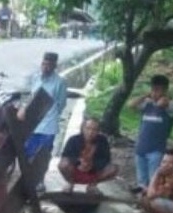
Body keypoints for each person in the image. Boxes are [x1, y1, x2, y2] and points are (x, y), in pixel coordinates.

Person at [18, 52, 67, 190]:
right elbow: (30, 97)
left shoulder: (60, 82)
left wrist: (51, 115)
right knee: (28, 152)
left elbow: (61, 104)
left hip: (48, 126)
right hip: (33, 124)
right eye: (44, 64)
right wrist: (24, 109)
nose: (46, 67)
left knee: (43, 155)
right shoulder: (36, 78)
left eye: (49, 65)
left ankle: (40, 180)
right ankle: (27, 179)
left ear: (54, 66)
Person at [128, 74, 173, 194]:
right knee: (141, 182)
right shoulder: (147, 104)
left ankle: (152, 205)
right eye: (153, 89)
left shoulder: (171, 105)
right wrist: (145, 96)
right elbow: (131, 105)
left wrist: (159, 98)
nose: (155, 93)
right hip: (141, 148)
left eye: (158, 90)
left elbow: (162, 104)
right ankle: (141, 202)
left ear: (165, 90)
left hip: (156, 150)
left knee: (154, 181)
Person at [58, 117, 118, 194]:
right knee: (63, 164)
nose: (90, 132)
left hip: (93, 171)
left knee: (113, 169)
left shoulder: (102, 141)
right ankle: (70, 183)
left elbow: (106, 159)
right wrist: (78, 162)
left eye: (94, 129)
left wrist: (92, 165)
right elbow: (66, 155)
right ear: (83, 128)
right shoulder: (73, 139)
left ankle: (92, 185)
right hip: (75, 169)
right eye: (88, 128)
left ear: (98, 131)